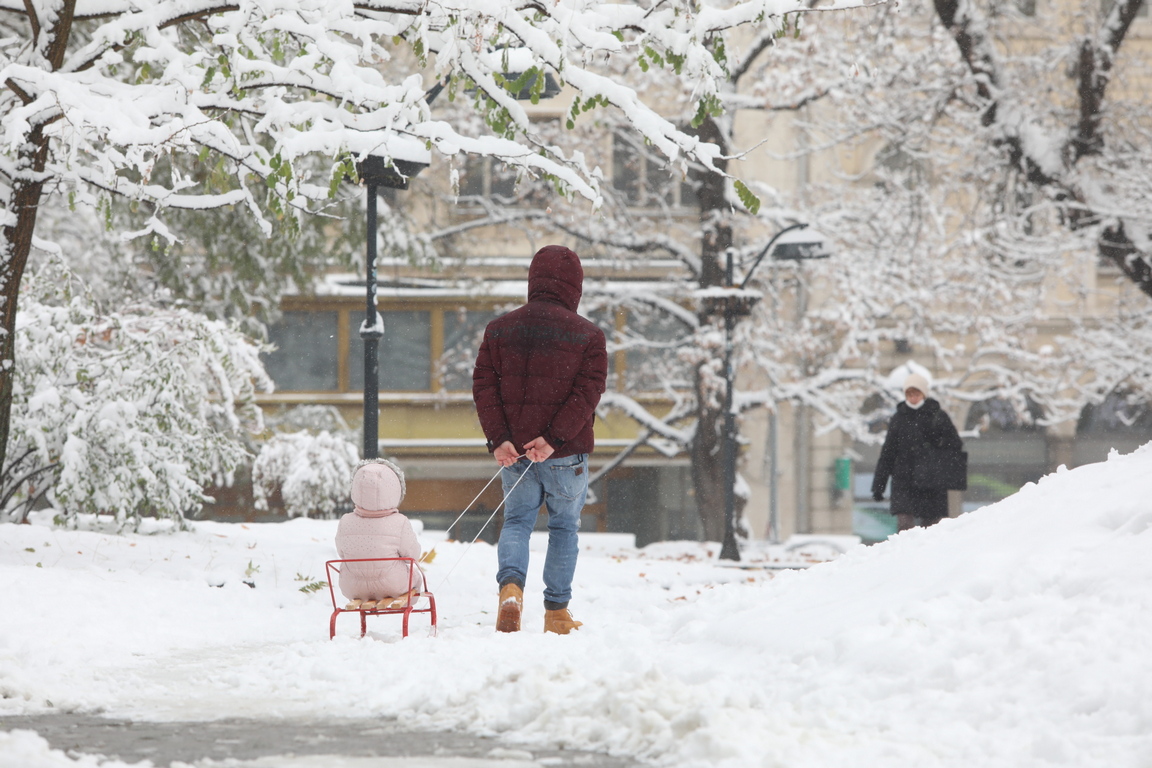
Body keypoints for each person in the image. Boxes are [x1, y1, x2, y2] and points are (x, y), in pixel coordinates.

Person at [472, 244, 608, 635]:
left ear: (533, 280)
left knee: (516, 521)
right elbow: (588, 393)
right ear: (575, 287)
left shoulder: (499, 329)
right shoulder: (589, 336)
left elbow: (484, 387)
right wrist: (553, 439)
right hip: (566, 454)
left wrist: (499, 439)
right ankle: (557, 614)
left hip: (514, 454)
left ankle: (511, 590)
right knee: (564, 528)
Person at [871, 372, 963, 531]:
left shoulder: (938, 416)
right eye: (909, 393)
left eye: (916, 393)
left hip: (931, 482)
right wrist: (879, 486)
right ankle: (906, 556)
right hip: (904, 481)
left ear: (924, 394)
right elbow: (888, 453)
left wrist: (936, 450)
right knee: (905, 527)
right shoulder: (899, 418)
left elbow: (955, 444)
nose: (913, 397)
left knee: (932, 530)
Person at [335, 459, 425, 610]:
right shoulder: (399, 522)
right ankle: (409, 606)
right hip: (393, 585)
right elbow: (413, 555)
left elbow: (341, 552)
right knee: (415, 577)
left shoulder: (345, 521)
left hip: (352, 586)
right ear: (394, 489)